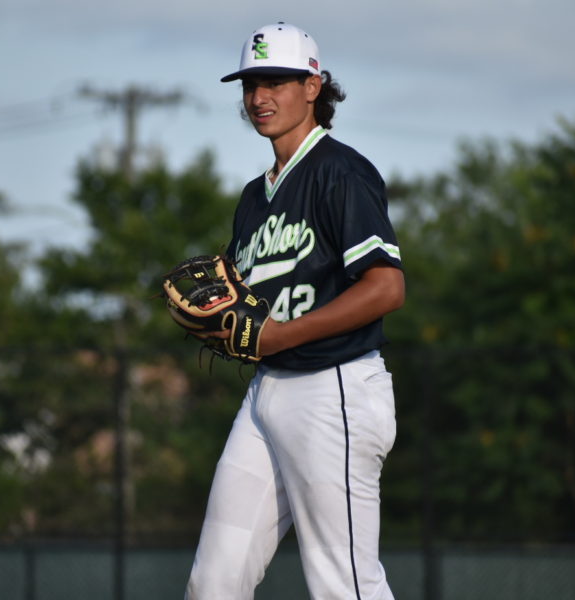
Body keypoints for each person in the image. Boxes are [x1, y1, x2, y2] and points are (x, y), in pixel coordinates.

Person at [185, 22, 404, 600]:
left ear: (313, 86)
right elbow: (246, 308)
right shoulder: (254, 199)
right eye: (251, 83)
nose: (260, 97)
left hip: (335, 390)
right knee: (213, 582)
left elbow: (385, 288)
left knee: (345, 587)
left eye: (276, 81)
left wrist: (279, 336)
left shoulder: (341, 172)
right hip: (267, 394)